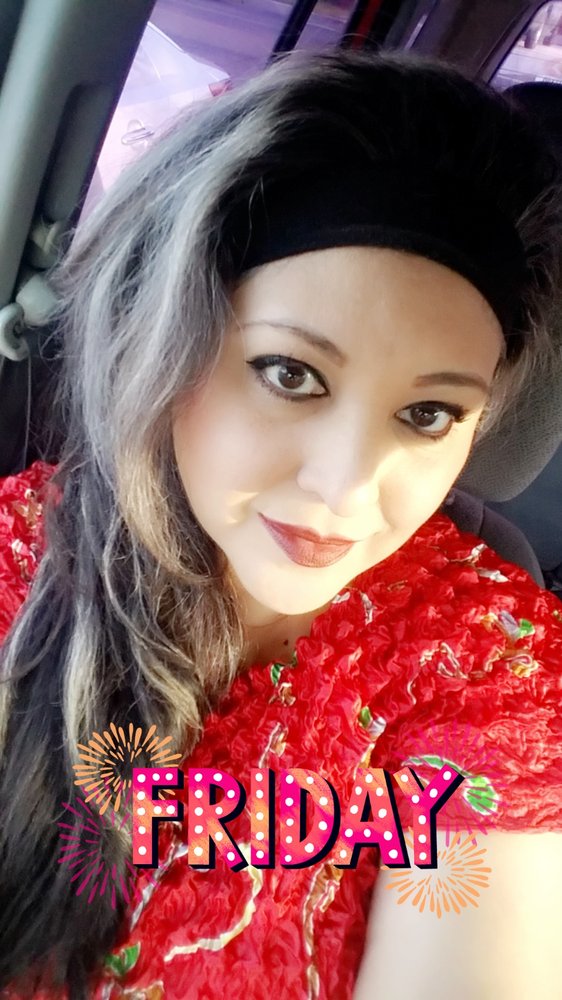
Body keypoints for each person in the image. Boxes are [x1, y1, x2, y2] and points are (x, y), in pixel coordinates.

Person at [0, 48, 561, 1000]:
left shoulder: (486, 669)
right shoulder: (21, 556)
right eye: (291, 374)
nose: (346, 487)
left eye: (427, 414)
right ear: (162, 340)